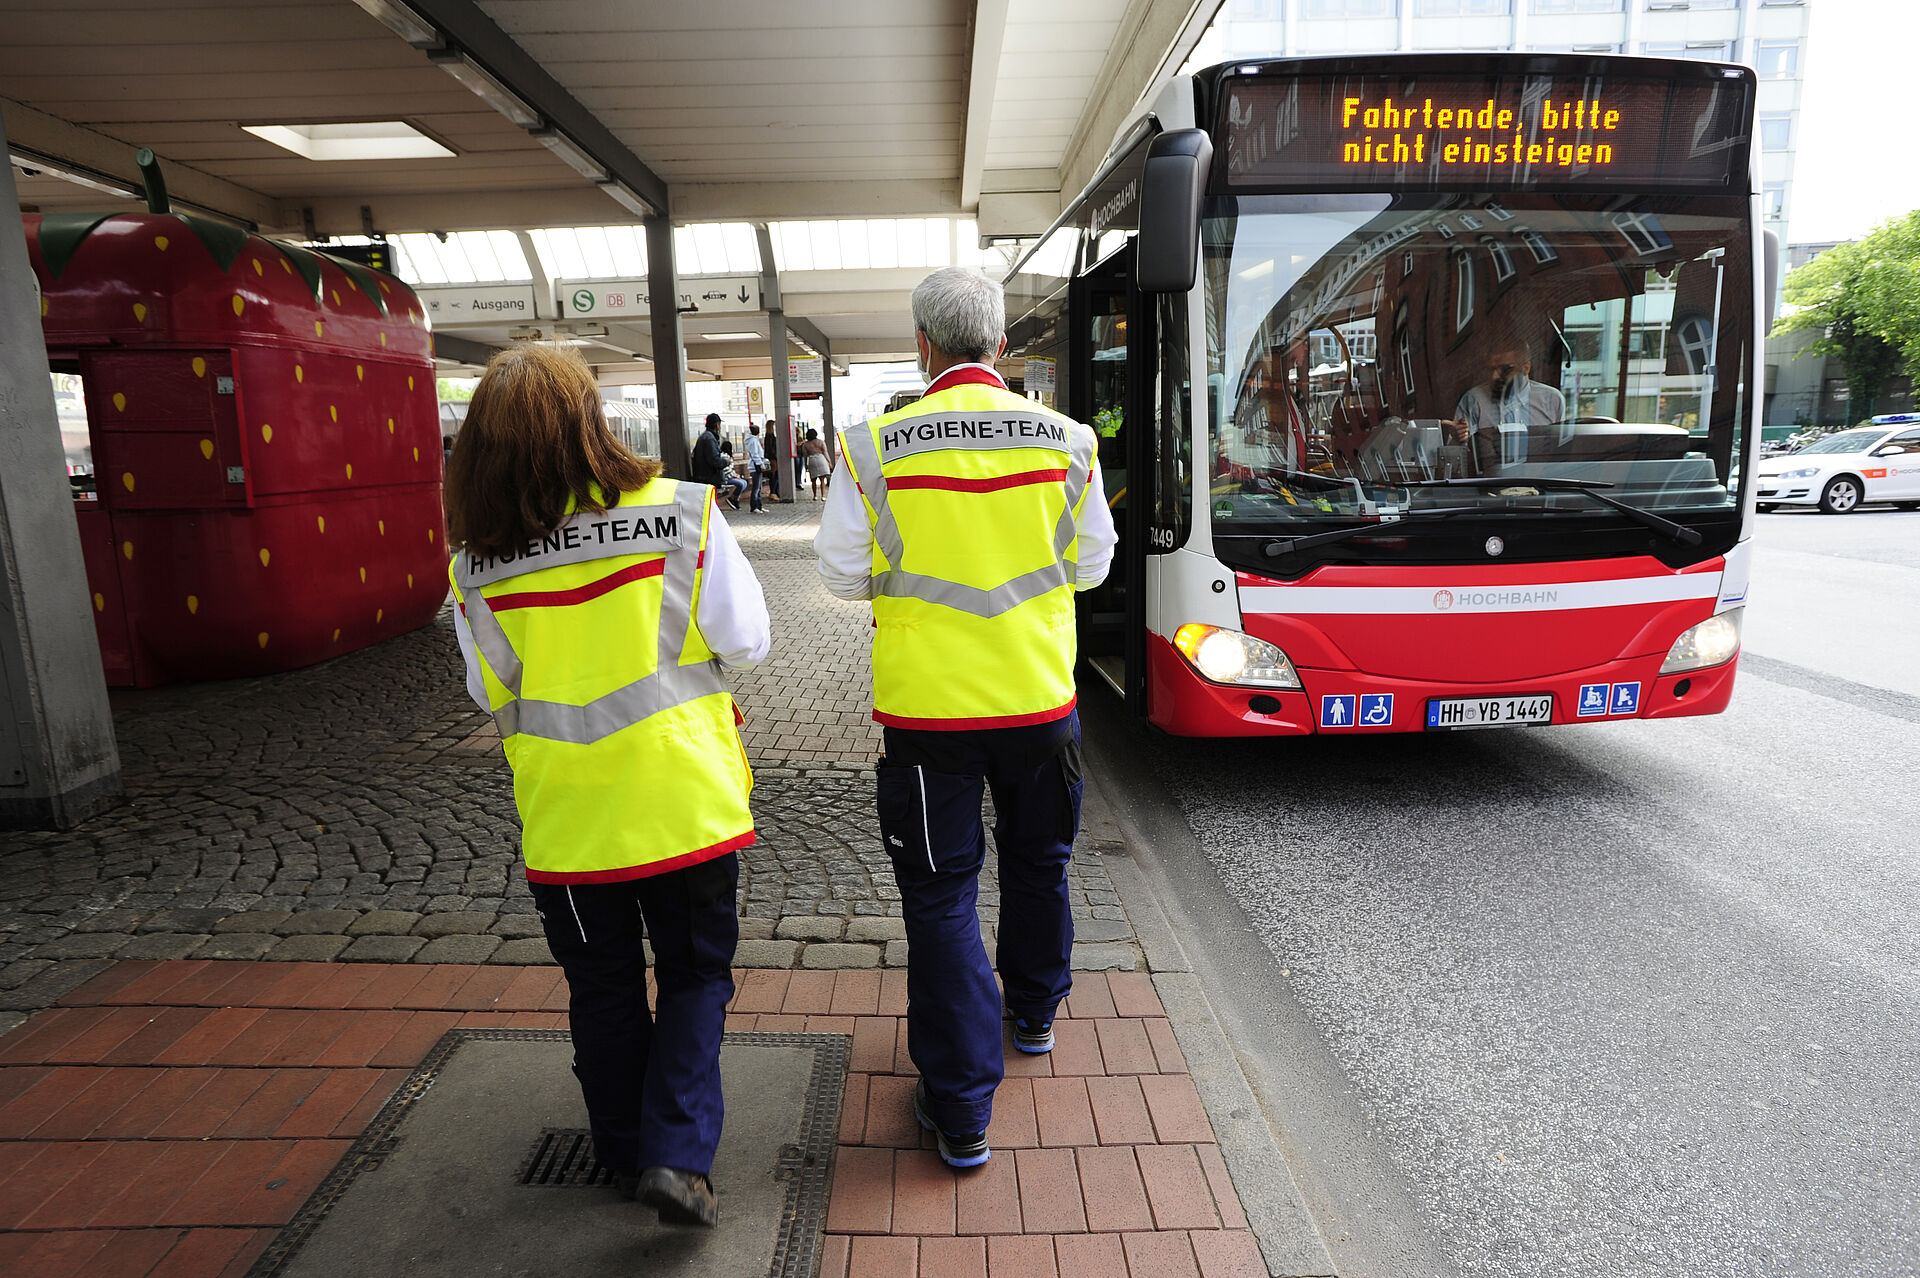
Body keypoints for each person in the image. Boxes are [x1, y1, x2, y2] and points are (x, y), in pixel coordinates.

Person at [445, 345, 770, 1226]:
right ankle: (677, 1155)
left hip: (569, 824)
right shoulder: (683, 516)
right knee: (697, 978)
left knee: (604, 990)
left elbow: (489, 693)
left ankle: (626, 1153)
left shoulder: (477, 569)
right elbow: (748, 641)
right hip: (685, 809)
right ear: (591, 423)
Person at [812, 266, 1117, 1168]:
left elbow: (834, 575)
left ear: (923, 346)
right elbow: (1093, 567)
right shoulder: (1069, 443)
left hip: (928, 718)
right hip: (1036, 703)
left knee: (942, 897)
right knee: (1039, 862)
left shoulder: (875, 445)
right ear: (1002, 347)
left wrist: (906, 589)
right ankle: (1032, 1015)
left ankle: (961, 1109)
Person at [1442, 341, 1566, 474]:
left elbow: (1559, 455)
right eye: (1491, 369)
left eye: (1505, 369)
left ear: (1526, 368)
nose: (1494, 376)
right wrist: (1457, 439)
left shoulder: (1552, 400)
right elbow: (1453, 467)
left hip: (1539, 488)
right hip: (1487, 489)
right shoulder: (1474, 400)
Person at [692, 413, 739, 510]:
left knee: (708, 505)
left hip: (703, 476)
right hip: (708, 477)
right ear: (717, 424)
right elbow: (714, 460)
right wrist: (726, 462)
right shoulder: (709, 439)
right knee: (711, 506)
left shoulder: (705, 437)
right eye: (719, 424)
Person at [743, 423, 768, 514]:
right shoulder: (753, 441)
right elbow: (755, 454)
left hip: (755, 465)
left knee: (758, 487)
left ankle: (759, 506)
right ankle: (754, 506)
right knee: (756, 487)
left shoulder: (753, 440)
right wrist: (761, 464)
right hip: (755, 466)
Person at [799, 428, 830, 500]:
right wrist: (829, 462)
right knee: (822, 479)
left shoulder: (805, 444)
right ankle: (823, 496)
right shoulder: (821, 442)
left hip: (812, 460)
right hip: (821, 459)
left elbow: (805, 455)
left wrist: (806, 466)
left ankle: (815, 495)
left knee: (813, 480)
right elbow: (825, 452)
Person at [762, 423, 783, 502]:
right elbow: (771, 449)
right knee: (774, 475)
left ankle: (775, 492)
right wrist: (775, 456)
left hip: (773, 458)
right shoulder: (770, 436)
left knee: (775, 475)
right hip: (773, 459)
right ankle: (773, 493)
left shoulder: (769, 436)